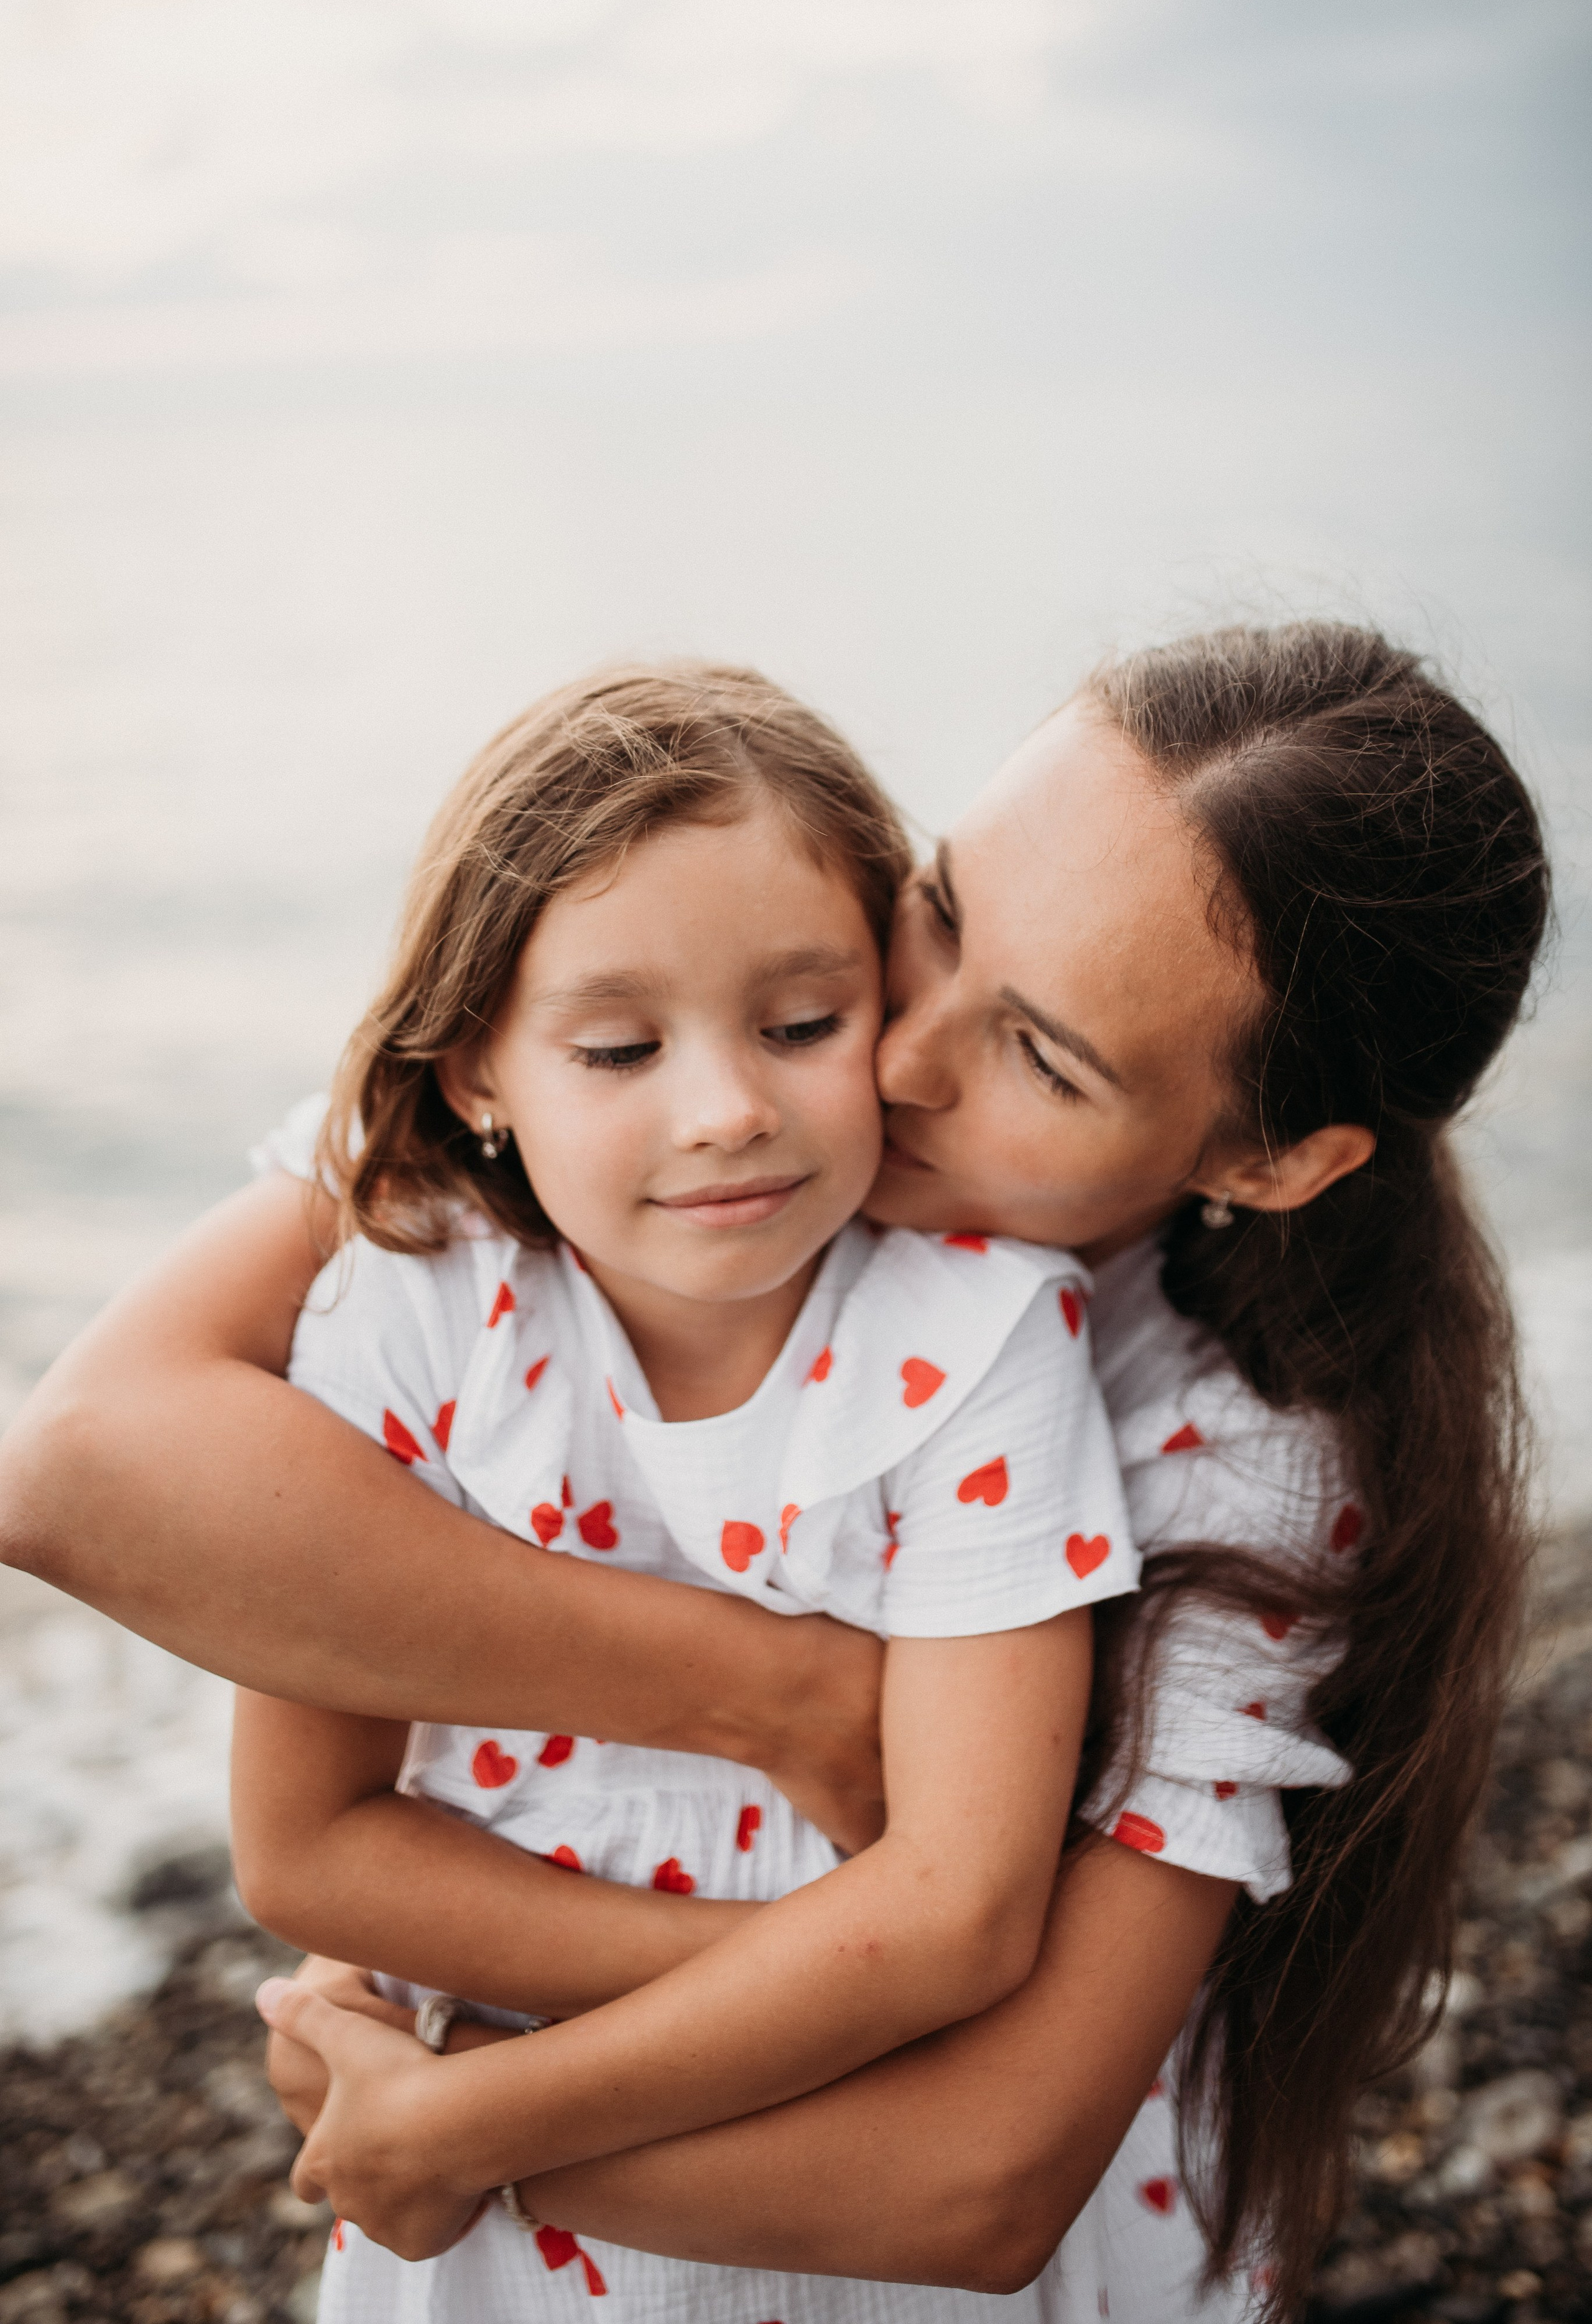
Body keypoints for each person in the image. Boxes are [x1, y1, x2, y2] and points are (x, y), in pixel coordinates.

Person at [0, 625, 1547, 2321]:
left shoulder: (1220, 1452)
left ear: (1269, 1157)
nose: (891, 1055)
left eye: (1038, 1054)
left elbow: (983, 2169)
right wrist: (778, 1695)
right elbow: (72, 1468)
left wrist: (447, 2127)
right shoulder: (511, 1211)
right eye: (940, 913)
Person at [229, 663, 1141, 2315]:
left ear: (894, 1001)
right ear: (475, 1071)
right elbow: (304, 1849)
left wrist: (467, 2109)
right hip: (556, 2163)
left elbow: (962, 1906)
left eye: (803, 1023)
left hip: (803, 2197)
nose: (728, 1107)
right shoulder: (413, 1314)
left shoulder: (984, 1339)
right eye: (618, 1045)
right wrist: (811, 1991)